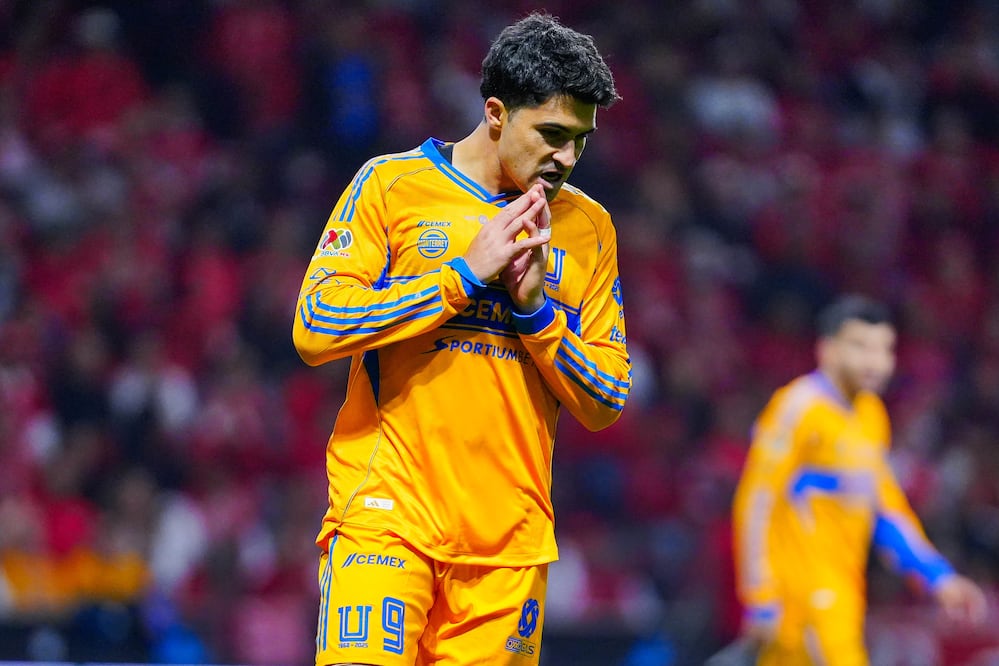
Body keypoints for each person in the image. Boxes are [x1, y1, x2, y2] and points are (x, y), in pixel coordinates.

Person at [292, 12, 630, 666]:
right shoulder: (392, 186)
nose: (566, 158)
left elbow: (607, 397)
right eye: (552, 135)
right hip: (386, 517)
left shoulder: (589, 228)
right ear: (497, 113)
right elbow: (316, 325)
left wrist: (535, 314)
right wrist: (462, 277)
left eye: (579, 141)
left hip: (508, 549)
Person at [731, 294, 988, 665]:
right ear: (827, 350)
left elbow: (885, 510)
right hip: (799, 602)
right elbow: (756, 501)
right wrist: (760, 598)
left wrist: (937, 576)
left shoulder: (871, 416)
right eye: (861, 347)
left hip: (844, 598)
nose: (875, 361)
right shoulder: (797, 408)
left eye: (884, 349)